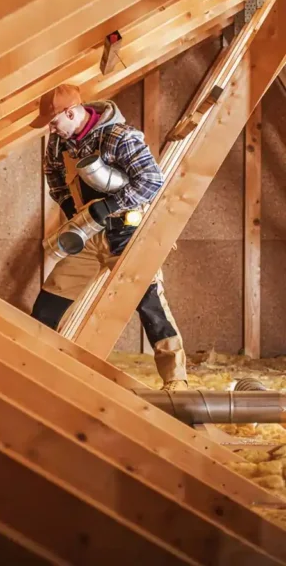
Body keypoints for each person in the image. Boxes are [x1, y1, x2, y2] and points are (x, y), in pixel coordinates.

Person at [29, 83, 188, 391]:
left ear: (71, 112)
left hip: (126, 232)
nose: (50, 128)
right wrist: (74, 212)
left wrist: (109, 206)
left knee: (149, 303)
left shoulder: (119, 137)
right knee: (49, 303)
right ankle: (36, 371)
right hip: (87, 235)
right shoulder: (59, 142)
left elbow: (152, 180)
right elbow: (54, 176)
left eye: (53, 121)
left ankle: (176, 381)